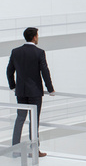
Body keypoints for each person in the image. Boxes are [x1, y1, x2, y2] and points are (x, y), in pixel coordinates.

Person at [7, 27, 55, 157]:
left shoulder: (16, 52)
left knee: (20, 118)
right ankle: (34, 150)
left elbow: (9, 70)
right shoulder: (39, 52)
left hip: (21, 91)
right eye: (37, 35)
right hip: (35, 92)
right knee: (34, 121)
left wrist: (13, 86)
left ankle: (15, 149)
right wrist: (50, 89)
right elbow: (45, 71)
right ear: (34, 37)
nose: (38, 37)